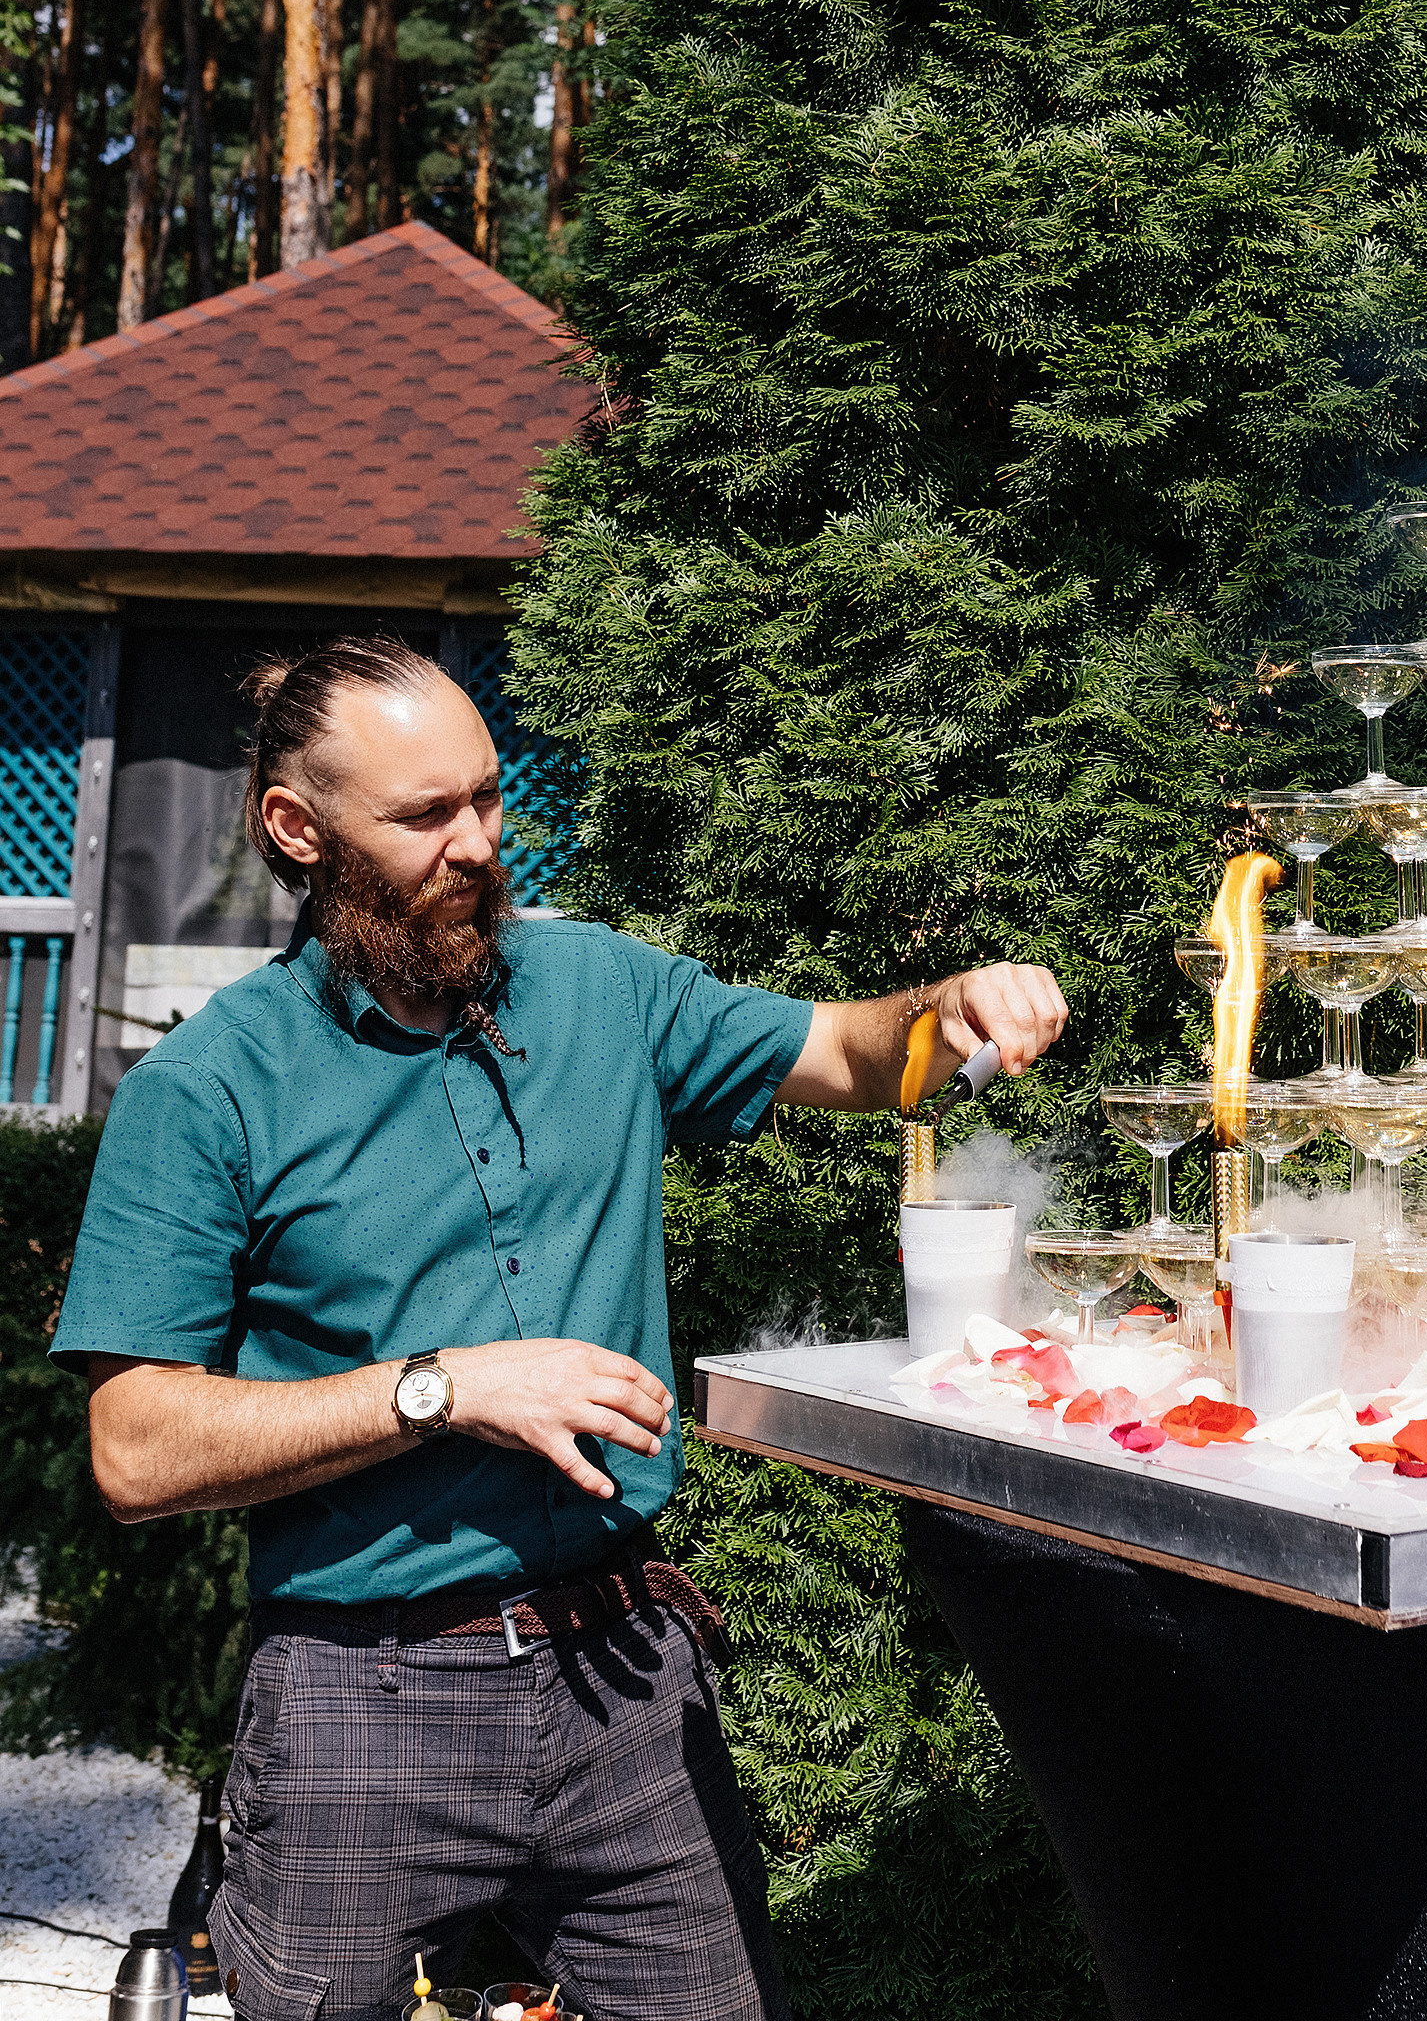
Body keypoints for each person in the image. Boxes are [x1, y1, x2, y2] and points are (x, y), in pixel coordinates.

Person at [53, 636, 1067, 2021]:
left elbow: (851, 1052)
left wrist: (953, 1011)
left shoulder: (600, 990)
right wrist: (444, 1389)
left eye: (484, 796)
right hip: (364, 1699)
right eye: (423, 817)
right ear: (298, 829)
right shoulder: (211, 1089)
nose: (476, 842)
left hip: (624, 1678)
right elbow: (134, 1449)